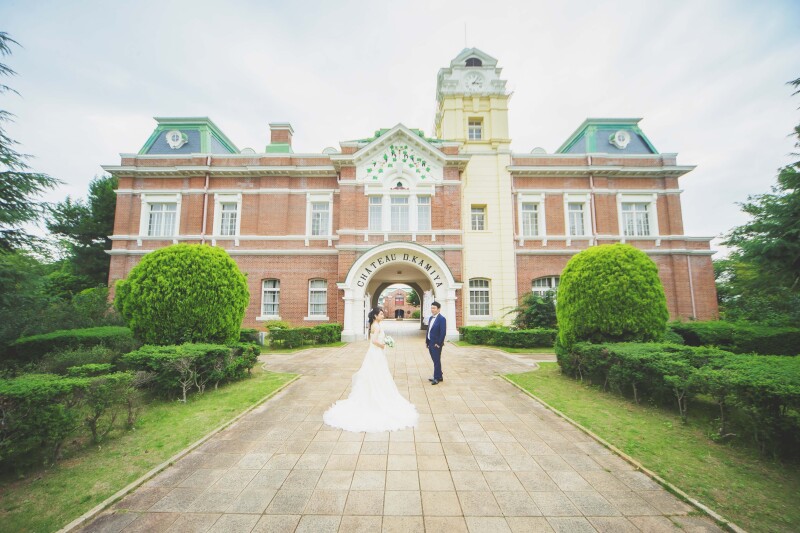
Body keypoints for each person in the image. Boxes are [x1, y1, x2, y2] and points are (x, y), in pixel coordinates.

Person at [323, 307, 418, 432]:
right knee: (378, 373)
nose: (383, 315)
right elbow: (373, 341)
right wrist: (383, 344)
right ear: (375, 316)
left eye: (383, 314)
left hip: (374, 353)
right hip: (376, 353)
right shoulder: (377, 326)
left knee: (375, 373)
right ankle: (377, 397)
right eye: (381, 314)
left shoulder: (374, 324)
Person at [426, 301, 446, 385]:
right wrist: (427, 341)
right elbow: (429, 330)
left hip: (436, 344)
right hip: (430, 342)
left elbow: (443, 332)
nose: (432, 309)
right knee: (435, 360)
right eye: (431, 308)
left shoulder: (442, 319)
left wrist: (439, 343)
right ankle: (439, 375)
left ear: (438, 309)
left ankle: (436, 378)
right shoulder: (431, 318)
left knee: (436, 360)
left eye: (434, 308)